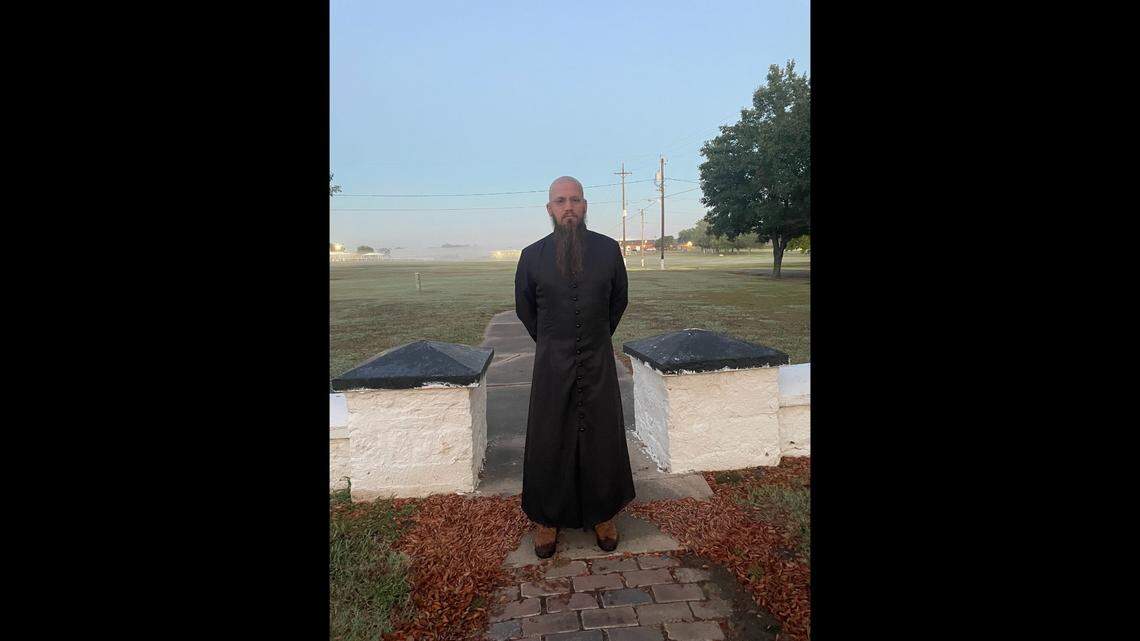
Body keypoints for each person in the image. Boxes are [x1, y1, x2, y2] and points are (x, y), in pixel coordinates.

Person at [514, 176, 636, 558]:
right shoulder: (531, 256)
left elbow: (619, 300)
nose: (569, 207)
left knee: (602, 437)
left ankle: (603, 514)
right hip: (552, 363)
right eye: (561, 201)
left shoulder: (608, 250)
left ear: (585, 206)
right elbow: (525, 308)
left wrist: (597, 337)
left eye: (575, 200)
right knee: (550, 438)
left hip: (597, 359)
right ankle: (547, 519)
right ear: (550, 209)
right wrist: (552, 341)